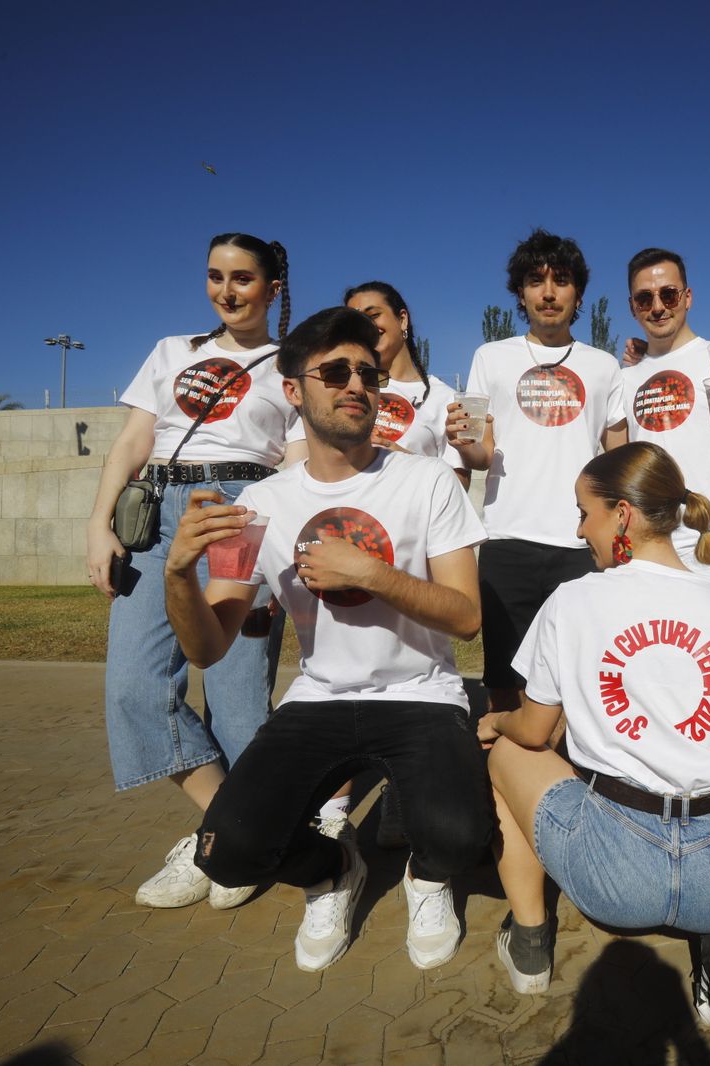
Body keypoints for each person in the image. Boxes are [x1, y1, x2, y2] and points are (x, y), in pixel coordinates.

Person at [163, 307, 492, 973]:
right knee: (227, 854)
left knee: (460, 838)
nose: (356, 386)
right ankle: (333, 869)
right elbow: (208, 647)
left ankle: (426, 879)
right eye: (336, 372)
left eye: (369, 374)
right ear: (293, 391)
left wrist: (372, 573)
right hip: (318, 699)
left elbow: (465, 618)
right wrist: (178, 575)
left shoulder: (425, 480)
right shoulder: (260, 506)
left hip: (422, 694)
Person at [477, 442, 710, 1024]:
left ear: (622, 515)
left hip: (617, 883)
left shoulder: (574, 599)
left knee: (507, 750)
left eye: (585, 513)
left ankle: (531, 941)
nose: (580, 529)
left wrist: (496, 720)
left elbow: (536, 730)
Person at [85, 232, 301, 911]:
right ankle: (230, 833)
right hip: (159, 510)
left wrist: (282, 542)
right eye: (215, 276)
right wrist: (100, 522)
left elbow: (295, 461)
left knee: (237, 704)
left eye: (242, 278)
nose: (226, 290)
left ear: (271, 288)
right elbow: (133, 440)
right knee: (134, 690)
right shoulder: (173, 352)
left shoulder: (291, 362)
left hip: (245, 510)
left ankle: (224, 849)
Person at [452, 229, 627, 714]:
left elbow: (619, 457)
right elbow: (481, 455)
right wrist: (465, 446)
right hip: (507, 538)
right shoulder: (492, 357)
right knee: (504, 683)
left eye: (561, 280)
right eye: (535, 281)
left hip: (581, 542)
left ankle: (567, 779)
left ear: (578, 295)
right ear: (521, 294)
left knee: (576, 680)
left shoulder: (603, 365)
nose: (548, 293)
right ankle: (505, 784)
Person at [613, 247, 710, 575]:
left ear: (687, 297)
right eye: (645, 299)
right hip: (647, 552)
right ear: (632, 307)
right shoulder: (624, 378)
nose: (657, 307)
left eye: (668, 295)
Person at [344, 281, 469, 488]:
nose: (365, 327)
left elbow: (460, 485)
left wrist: (405, 461)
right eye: (355, 323)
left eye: (373, 315)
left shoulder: (445, 399)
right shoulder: (343, 387)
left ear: (402, 319)